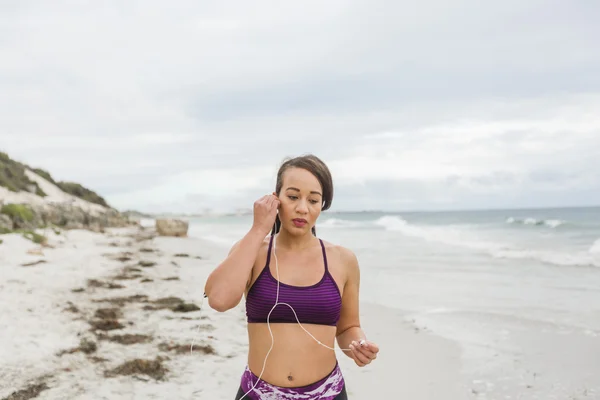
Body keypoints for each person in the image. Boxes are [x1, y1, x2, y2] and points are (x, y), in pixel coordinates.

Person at [204, 154, 379, 399]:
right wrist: (258, 229)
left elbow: (348, 327)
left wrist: (358, 346)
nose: (302, 208)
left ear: (322, 205)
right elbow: (219, 300)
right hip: (259, 393)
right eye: (293, 196)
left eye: (313, 200)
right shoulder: (253, 251)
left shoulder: (343, 260)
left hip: (327, 394)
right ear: (276, 198)